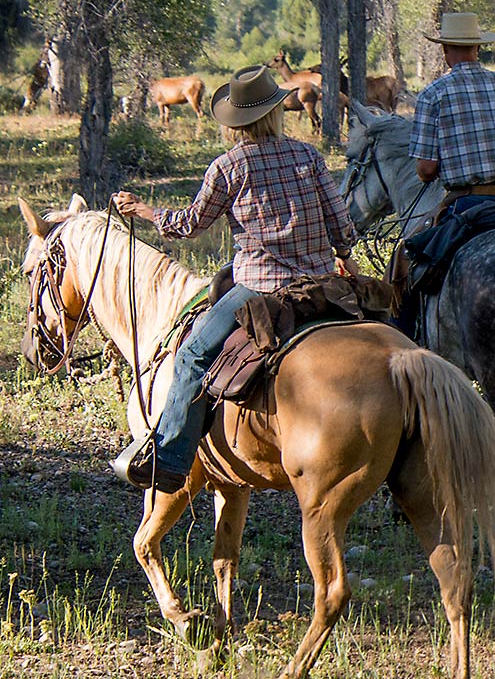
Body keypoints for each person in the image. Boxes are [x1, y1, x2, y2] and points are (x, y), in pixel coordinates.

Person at [111, 66, 359, 493]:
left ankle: (169, 460)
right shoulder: (309, 155)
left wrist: (146, 211)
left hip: (259, 286)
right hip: (321, 282)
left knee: (190, 355)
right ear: (276, 112)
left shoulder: (228, 167)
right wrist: (344, 255)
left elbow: (190, 224)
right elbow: (341, 222)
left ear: (234, 121)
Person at [409, 12, 495, 214]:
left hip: (467, 203)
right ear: (478, 47)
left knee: (418, 245)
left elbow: (427, 169)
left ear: (444, 49)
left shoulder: (432, 94)